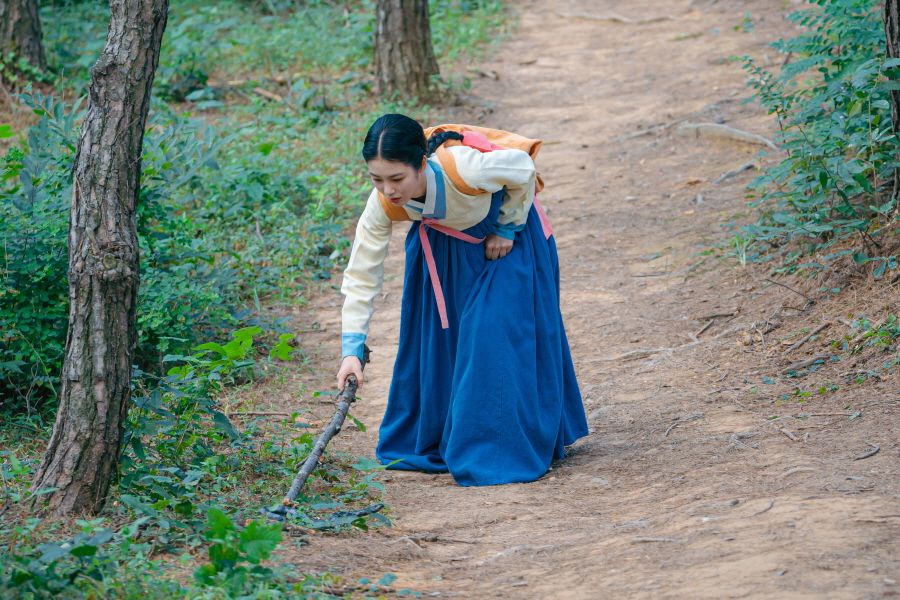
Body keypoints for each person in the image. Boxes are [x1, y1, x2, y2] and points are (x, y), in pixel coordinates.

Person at [336, 114, 588, 486]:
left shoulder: (464, 168)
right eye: (377, 179)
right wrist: (351, 349)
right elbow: (361, 273)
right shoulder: (383, 204)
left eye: (397, 178)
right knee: (452, 342)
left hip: (509, 241)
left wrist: (507, 225)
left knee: (493, 334)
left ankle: (499, 450)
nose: (388, 190)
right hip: (444, 250)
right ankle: (451, 432)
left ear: (421, 164)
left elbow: (522, 167)